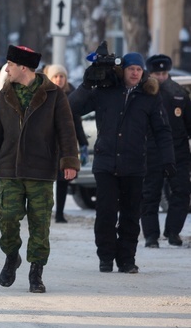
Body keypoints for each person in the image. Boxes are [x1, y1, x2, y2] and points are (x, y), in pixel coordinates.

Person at [0, 45, 79, 293]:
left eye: (10, 65)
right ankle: (12, 256)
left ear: (23, 67)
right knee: (8, 218)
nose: (6, 69)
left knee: (40, 223)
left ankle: (36, 272)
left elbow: (67, 131)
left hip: (41, 169)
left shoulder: (54, 95)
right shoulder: (5, 94)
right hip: (10, 168)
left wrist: (69, 160)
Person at [69, 51, 174, 274]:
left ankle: (127, 260)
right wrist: (87, 85)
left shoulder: (149, 97)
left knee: (130, 216)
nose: (135, 73)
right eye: (131, 69)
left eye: (139, 69)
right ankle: (106, 257)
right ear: (122, 70)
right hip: (106, 163)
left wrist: (168, 159)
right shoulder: (105, 91)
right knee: (105, 214)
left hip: (134, 165)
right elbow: (72, 108)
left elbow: (162, 130)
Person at [141, 54, 191, 247]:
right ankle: (151, 236)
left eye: (163, 73)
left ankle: (173, 232)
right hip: (151, 150)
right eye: (156, 73)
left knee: (181, 192)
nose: (160, 77)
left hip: (178, 150)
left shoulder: (179, 93)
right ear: (150, 73)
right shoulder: (143, 93)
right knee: (149, 194)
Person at [43, 64, 88, 223]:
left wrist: (83, 144)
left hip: (65, 144)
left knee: (62, 180)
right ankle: (43, 212)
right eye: (55, 76)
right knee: (45, 181)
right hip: (46, 144)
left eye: (61, 76)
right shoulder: (43, 94)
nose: (59, 79)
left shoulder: (73, 96)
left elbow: (77, 122)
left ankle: (59, 213)